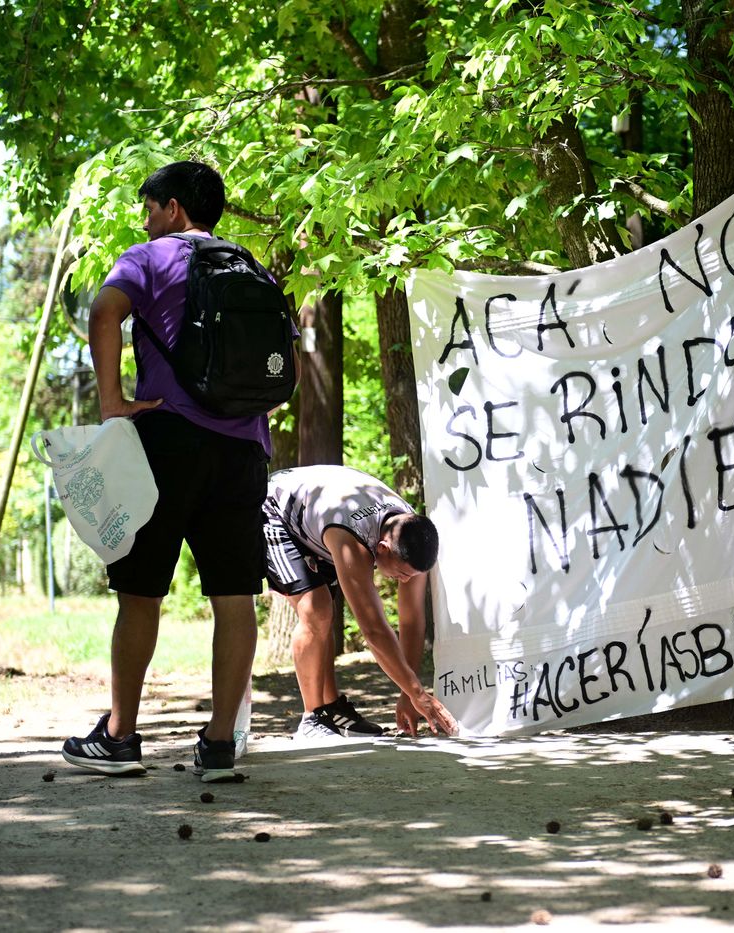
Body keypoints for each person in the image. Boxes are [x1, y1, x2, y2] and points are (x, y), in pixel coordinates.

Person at [61, 161, 274, 783]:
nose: (147, 220)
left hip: (170, 439)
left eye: (150, 207)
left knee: (141, 593)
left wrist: (111, 404)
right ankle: (218, 746)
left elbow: (105, 314)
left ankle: (121, 738)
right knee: (236, 599)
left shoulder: (151, 257)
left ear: (174, 208)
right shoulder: (249, 265)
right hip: (244, 449)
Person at [263, 465, 458, 741]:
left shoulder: (410, 535)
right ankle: (311, 718)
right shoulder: (353, 542)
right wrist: (419, 694)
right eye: (402, 573)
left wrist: (407, 694)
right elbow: (373, 630)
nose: (405, 581)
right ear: (382, 549)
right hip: (274, 509)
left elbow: (412, 621)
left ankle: (331, 709)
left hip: (319, 517)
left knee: (324, 611)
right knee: (316, 610)